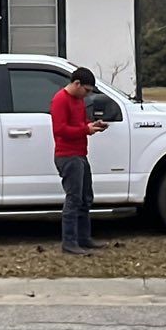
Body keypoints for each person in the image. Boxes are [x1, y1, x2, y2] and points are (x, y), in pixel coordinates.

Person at [49, 66, 108, 256]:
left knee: (85, 198)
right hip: (67, 156)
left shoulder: (79, 101)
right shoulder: (60, 100)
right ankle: (69, 242)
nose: (87, 95)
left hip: (80, 154)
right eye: (87, 90)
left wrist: (92, 126)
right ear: (77, 84)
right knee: (73, 199)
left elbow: (80, 125)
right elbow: (60, 130)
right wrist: (85, 130)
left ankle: (84, 238)